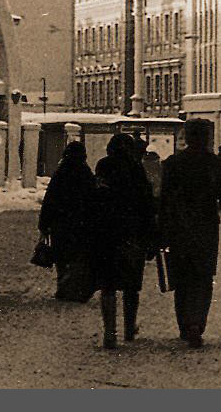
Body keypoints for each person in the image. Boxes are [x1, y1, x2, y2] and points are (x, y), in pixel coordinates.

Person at [158, 118, 221, 347]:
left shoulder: (172, 163)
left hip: (179, 227)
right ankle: (198, 322)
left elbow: (164, 198)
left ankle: (186, 324)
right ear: (206, 137)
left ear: (186, 137)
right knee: (204, 277)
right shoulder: (214, 163)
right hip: (206, 227)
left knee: (182, 277)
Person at [91, 133, 157, 348]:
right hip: (132, 233)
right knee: (131, 284)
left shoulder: (103, 166)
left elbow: (96, 199)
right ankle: (129, 328)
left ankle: (110, 332)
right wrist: (151, 236)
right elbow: (147, 204)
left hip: (106, 233)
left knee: (108, 285)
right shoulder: (136, 169)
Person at [38, 141, 96, 302]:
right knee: (79, 257)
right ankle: (78, 288)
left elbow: (50, 200)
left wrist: (43, 224)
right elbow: (93, 199)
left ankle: (63, 288)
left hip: (61, 224)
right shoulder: (86, 173)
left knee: (62, 258)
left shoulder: (61, 173)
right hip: (81, 224)